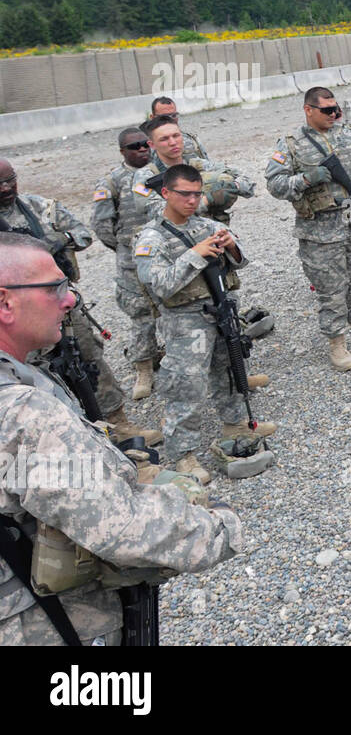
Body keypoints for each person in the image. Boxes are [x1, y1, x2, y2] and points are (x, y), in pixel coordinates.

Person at [0, 232, 242, 645]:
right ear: (6, 302)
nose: (70, 300)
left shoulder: (23, 378)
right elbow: (123, 531)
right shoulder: (23, 412)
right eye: (54, 288)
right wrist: (221, 526)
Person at [134, 165, 275, 485]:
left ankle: (236, 424)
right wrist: (194, 255)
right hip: (185, 321)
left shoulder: (208, 224)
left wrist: (231, 246)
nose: (192, 200)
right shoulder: (152, 237)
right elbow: (159, 284)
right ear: (166, 193)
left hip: (220, 311)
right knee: (186, 385)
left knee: (229, 369)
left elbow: (242, 260)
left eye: (197, 193)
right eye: (185, 194)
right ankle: (183, 454)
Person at [266, 86, 351, 371]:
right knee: (331, 289)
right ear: (308, 110)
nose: (333, 114)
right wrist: (306, 179)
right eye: (327, 110)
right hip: (320, 228)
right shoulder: (291, 145)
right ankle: (337, 344)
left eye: (335, 109)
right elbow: (274, 185)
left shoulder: (349, 135)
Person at [0, 159, 131, 434]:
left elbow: (84, 234)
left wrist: (60, 240)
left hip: (61, 302)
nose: (5, 188)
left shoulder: (40, 208)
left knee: (89, 357)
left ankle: (117, 423)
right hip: (18, 314)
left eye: (9, 180)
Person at [91, 128, 160, 402]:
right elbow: (101, 225)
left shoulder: (161, 171)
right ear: (123, 151)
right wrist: (125, 247)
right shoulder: (111, 182)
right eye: (135, 146)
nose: (142, 149)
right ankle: (144, 368)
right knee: (141, 316)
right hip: (132, 262)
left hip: (167, 256)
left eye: (145, 144)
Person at [134, 116, 254, 225]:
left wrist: (233, 187)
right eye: (164, 139)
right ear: (152, 145)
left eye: (176, 136)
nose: (173, 142)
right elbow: (162, 213)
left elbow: (248, 183)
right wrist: (208, 200)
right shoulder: (147, 176)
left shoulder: (198, 164)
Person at [146, 96, 208, 160]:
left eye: (174, 115)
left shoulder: (190, 138)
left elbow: (207, 163)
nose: (169, 120)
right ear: (152, 118)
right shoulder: (143, 146)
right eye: (164, 117)